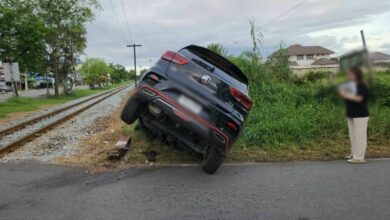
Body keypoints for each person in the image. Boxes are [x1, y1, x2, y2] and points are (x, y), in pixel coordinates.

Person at [338, 67, 369, 163]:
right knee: (353, 136)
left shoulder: (362, 85)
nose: (348, 76)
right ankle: (354, 153)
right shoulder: (350, 85)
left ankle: (359, 158)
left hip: (360, 114)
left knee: (360, 136)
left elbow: (358, 99)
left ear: (356, 75)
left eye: (350, 74)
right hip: (351, 113)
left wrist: (345, 94)